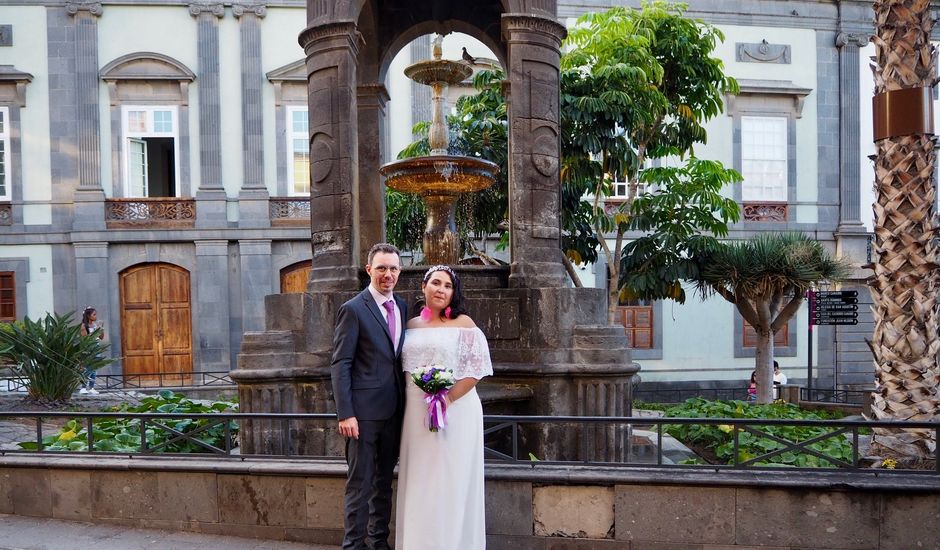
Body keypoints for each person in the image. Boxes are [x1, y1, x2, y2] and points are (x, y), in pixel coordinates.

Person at [395, 265, 492, 550]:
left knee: (452, 477)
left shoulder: (465, 325)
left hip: (456, 408)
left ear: (454, 293)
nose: (441, 289)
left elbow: (477, 369)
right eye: (436, 283)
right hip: (415, 409)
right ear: (424, 286)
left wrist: (445, 400)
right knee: (420, 479)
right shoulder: (410, 326)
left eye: (448, 286)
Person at [331, 243, 407, 550]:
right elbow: (340, 363)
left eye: (393, 269)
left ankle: (379, 542)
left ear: (399, 272)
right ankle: (353, 545)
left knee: (383, 484)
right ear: (369, 270)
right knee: (359, 485)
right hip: (361, 415)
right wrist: (345, 412)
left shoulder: (401, 306)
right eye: (381, 268)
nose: (387, 274)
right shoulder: (353, 309)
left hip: (393, 412)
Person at [79, 306, 104, 395]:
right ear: (88, 316)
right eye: (94, 314)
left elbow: (101, 337)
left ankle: (91, 387)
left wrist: (101, 328)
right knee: (89, 368)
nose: (96, 316)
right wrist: (96, 330)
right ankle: (83, 387)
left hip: (96, 347)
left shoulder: (95, 325)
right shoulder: (84, 326)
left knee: (95, 368)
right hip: (89, 347)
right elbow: (86, 339)